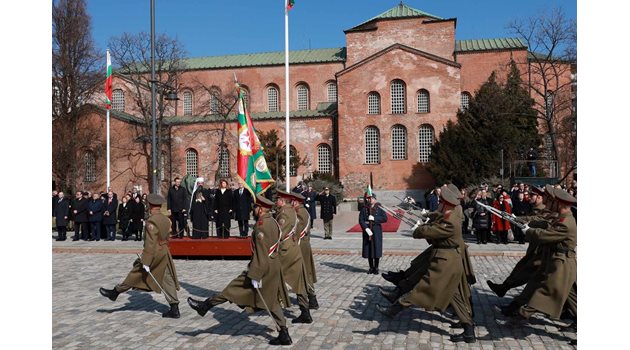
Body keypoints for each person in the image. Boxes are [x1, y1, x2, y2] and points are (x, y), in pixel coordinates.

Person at [187, 195, 293, 346]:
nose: (254, 210)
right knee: (272, 301)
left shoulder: (262, 226)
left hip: (262, 267)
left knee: (233, 288)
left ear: (261, 209)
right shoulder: (273, 222)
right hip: (273, 265)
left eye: (256, 208)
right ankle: (284, 333)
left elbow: (261, 253)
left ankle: (205, 306)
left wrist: (256, 275)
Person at [376, 185, 476, 343]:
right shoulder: (454, 209)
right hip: (448, 258)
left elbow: (432, 230)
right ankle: (469, 332)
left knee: (424, 287)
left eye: (441, 199)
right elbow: (440, 215)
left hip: (446, 261)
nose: (440, 201)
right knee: (455, 297)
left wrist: (419, 229)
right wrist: (427, 214)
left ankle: (394, 309)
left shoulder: (450, 221)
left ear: (446, 200)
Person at [99, 193, 181, 319]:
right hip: (164, 250)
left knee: (136, 273)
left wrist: (146, 262)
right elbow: (168, 235)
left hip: (155, 253)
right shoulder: (165, 219)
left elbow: (150, 244)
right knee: (167, 278)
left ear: (150, 205)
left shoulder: (151, 221)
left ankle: (115, 292)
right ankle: (174, 308)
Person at [276, 189, 313, 324]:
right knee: (299, 282)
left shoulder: (285, 214)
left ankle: (274, 306)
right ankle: (305, 312)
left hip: (286, 251)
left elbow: (279, 233)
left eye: (277, 199)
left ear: (282, 201)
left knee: (275, 277)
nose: (276, 202)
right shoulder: (292, 211)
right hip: (294, 248)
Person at [291, 191, 319, 310]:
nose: (291, 203)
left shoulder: (301, 212)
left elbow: (299, 230)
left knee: (304, 272)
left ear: (296, 202)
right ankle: (311, 299)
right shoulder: (299, 211)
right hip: (302, 245)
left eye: (292, 201)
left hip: (301, 246)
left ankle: (311, 299)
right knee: (304, 272)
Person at [359, 191, 388, 274]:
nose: (370, 200)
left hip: (376, 230)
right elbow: (361, 220)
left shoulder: (379, 208)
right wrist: (366, 228)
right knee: (369, 249)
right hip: (367, 231)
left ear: (375, 199)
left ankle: (376, 267)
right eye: (369, 198)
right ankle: (371, 267)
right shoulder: (364, 208)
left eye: (372, 198)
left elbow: (385, 218)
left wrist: (375, 219)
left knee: (376, 248)